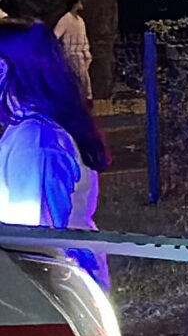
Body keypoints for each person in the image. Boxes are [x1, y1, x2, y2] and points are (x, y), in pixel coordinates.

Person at [0, 16, 109, 282]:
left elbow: (31, 242)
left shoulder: (36, 141)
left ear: (3, 69)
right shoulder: (33, 130)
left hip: (49, 294)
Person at [52, 0, 92, 103]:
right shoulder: (66, 19)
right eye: (79, 2)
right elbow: (56, 34)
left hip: (81, 53)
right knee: (79, 77)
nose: (81, 4)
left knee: (82, 77)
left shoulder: (80, 20)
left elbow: (84, 37)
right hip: (71, 53)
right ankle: (83, 99)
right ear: (75, 4)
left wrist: (86, 51)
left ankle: (83, 98)